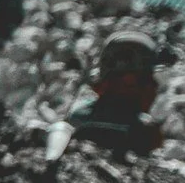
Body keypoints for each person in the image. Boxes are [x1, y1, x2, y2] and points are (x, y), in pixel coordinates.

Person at [69, 27, 169, 155]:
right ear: (129, 81)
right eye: (146, 79)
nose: (154, 87)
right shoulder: (146, 131)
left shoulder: (78, 116)